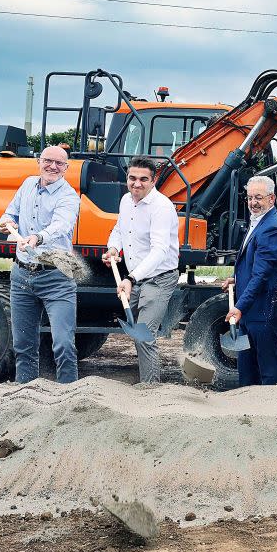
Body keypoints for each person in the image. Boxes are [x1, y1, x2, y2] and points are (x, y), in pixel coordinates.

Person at [0, 145, 81, 384]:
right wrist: (6, 222)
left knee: (63, 344)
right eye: (48, 161)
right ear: (39, 161)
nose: (52, 167)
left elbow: (61, 226)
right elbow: (10, 213)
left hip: (57, 278)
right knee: (23, 344)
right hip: (22, 276)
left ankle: (69, 397)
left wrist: (38, 237)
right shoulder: (27, 185)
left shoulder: (68, 196)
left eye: (59, 164)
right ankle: (26, 394)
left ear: (66, 168)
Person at [102, 156, 179, 384]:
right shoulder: (126, 200)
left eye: (143, 179)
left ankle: (150, 389)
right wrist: (114, 248)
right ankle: (148, 380)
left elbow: (159, 251)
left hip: (159, 278)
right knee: (136, 332)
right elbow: (119, 229)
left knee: (144, 334)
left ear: (153, 181)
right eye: (132, 178)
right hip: (136, 278)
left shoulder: (162, 207)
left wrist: (131, 278)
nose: (137, 184)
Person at [228, 174, 277, 386]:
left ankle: (269, 410)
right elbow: (251, 265)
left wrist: (240, 306)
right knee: (248, 367)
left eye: (258, 198)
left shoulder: (272, 227)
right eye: (249, 198)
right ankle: (249, 410)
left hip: (265, 308)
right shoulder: (258, 222)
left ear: (271, 199)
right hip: (253, 309)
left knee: (267, 368)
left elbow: (262, 274)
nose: (253, 203)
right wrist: (236, 280)